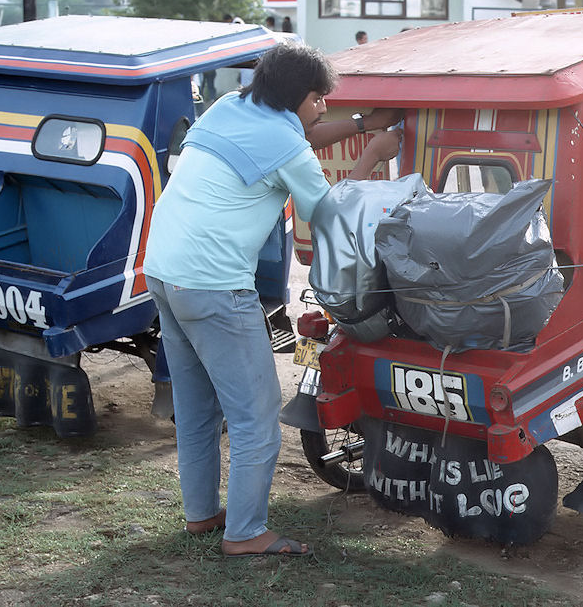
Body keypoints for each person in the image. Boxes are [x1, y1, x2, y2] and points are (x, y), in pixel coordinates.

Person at [143, 43, 401, 558]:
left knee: (196, 411)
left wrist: (364, 121)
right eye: (319, 98)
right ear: (298, 98)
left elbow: (298, 135)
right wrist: (373, 152)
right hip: (216, 287)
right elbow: (330, 217)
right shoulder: (289, 148)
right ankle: (245, 533)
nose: (324, 107)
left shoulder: (229, 108)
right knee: (256, 420)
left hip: (164, 274)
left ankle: (202, 515)